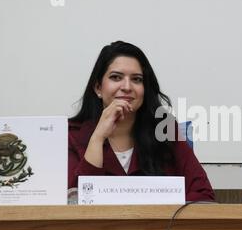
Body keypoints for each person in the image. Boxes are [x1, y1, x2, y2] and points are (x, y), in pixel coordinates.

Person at [68, 41, 215, 202]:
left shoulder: (165, 130)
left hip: (157, 226)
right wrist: (97, 138)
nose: (127, 87)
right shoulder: (71, 135)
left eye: (136, 79)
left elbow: (204, 196)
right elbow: (71, 205)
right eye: (116, 77)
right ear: (98, 88)